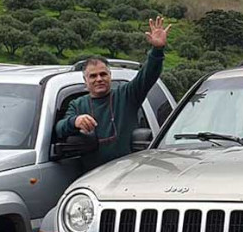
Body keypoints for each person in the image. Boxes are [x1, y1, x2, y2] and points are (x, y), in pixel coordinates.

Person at [55, 17, 171, 170]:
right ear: (85, 81)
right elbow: (60, 128)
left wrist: (157, 50)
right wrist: (74, 121)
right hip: (92, 175)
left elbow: (148, 75)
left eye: (103, 74)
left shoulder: (127, 95)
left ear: (110, 76)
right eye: (93, 76)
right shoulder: (77, 105)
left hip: (127, 171)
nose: (99, 79)